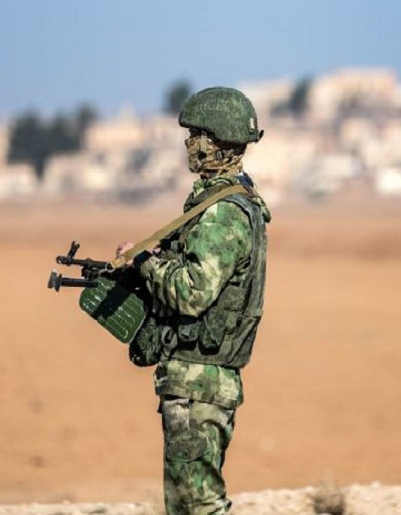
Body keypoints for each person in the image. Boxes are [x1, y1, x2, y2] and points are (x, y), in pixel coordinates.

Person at [122, 87, 271, 515]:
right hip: (200, 382)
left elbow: (192, 292)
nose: (189, 144)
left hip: (199, 385)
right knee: (187, 505)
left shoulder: (223, 212)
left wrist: (148, 266)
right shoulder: (233, 202)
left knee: (199, 505)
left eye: (195, 135)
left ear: (214, 142)